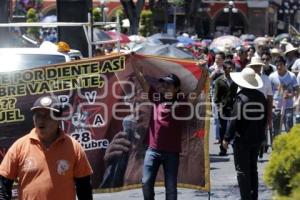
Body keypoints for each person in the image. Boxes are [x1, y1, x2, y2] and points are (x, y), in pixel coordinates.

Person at [132, 63, 208, 200]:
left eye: (169, 85)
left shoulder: (182, 102)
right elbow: (141, 79)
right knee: (146, 182)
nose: (165, 87)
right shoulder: (156, 98)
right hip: (152, 150)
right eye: (164, 85)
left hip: (171, 152)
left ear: (177, 89)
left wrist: (203, 72)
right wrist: (132, 60)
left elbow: (197, 90)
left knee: (171, 188)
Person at [0, 95, 93, 200]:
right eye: (38, 115)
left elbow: (84, 188)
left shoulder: (74, 148)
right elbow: (3, 189)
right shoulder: (19, 147)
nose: (41, 120)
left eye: (47, 115)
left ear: (58, 119)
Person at [223, 67, 267, 200]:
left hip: (242, 140)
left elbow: (233, 120)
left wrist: (226, 138)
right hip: (256, 139)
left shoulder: (241, 98)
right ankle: (254, 197)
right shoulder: (261, 97)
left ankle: (246, 197)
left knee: (243, 172)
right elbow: (263, 119)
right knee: (253, 169)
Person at [246, 56, 273, 157]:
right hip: (249, 108)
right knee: (251, 131)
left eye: (258, 66)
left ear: (261, 67)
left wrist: (269, 113)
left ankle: (260, 147)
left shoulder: (266, 79)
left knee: (262, 131)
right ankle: (255, 149)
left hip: (263, 108)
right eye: (254, 67)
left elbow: (270, 97)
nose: (256, 68)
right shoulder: (247, 78)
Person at [269, 56, 299, 135]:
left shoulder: (292, 76)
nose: (279, 67)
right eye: (277, 65)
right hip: (276, 107)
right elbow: (269, 92)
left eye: (281, 65)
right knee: (276, 130)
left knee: (289, 129)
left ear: (285, 65)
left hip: (288, 106)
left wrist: (290, 95)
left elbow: (297, 91)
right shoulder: (272, 76)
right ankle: (276, 146)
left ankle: (289, 146)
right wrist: (271, 103)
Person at [214, 59, 238, 156]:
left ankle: (235, 147)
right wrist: (219, 107)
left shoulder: (237, 79)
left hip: (234, 106)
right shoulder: (219, 80)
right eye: (229, 68)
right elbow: (216, 97)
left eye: (233, 67)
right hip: (223, 107)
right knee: (223, 128)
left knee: (234, 127)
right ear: (224, 69)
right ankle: (223, 148)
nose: (232, 69)